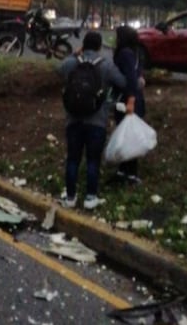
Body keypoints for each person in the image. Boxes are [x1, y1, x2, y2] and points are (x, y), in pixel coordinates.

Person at [58, 31, 126, 209]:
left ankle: (70, 197)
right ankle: (90, 197)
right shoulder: (106, 65)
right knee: (92, 160)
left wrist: (75, 53)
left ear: (83, 45)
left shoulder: (73, 63)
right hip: (97, 120)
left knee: (73, 159)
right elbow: (122, 82)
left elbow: (58, 70)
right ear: (99, 46)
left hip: (73, 119)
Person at [111, 25, 147, 185]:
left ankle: (128, 173)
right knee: (127, 135)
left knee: (127, 136)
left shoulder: (124, 54)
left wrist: (131, 100)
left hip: (127, 101)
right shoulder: (134, 53)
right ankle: (126, 170)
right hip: (134, 99)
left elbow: (131, 78)